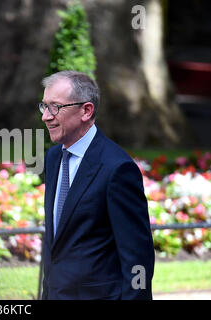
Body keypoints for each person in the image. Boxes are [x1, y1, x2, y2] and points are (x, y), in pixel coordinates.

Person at [39, 70, 154, 300]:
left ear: (86, 111)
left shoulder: (117, 169)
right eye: (44, 106)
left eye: (55, 107)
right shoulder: (53, 159)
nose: (46, 116)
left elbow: (138, 257)